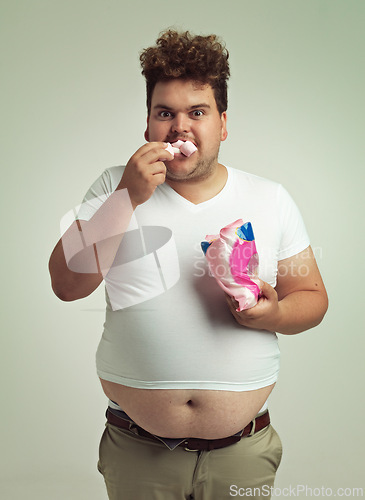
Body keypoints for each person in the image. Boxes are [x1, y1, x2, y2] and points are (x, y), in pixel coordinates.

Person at [49, 30, 328, 500]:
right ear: (147, 125)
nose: (180, 127)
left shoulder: (269, 197)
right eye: (165, 113)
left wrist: (273, 313)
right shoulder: (113, 185)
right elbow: (66, 284)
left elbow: (313, 298)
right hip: (138, 451)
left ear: (222, 124)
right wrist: (129, 199)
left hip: (243, 451)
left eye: (196, 112)